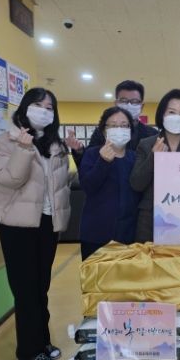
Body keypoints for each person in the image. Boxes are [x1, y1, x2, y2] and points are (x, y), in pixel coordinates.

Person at [0, 87, 71, 360]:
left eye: (49, 107)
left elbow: (60, 186)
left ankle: (42, 341)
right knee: (25, 290)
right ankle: (27, 350)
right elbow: (7, 180)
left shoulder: (55, 145)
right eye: (38, 105)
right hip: (18, 225)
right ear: (25, 108)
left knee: (41, 287)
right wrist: (23, 150)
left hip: (47, 223)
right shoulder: (6, 141)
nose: (44, 111)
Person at [130, 89, 180, 243]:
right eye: (172, 112)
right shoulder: (146, 144)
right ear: (162, 114)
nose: (177, 117)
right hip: (150, 221)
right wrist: (153, 157)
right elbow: (136, 184)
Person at [78, 106, 141, 260]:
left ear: (130, 130)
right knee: (95, 275)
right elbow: (88, 186)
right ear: (104, 130)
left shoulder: (135, 158)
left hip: (128, 235)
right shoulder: (92, 154)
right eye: (113, 125)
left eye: (124, 125)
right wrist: (103, 162)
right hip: (96, 234)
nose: (119, 129)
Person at [67, 80, 157, 166]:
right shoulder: (102, 131)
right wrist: (79, 150)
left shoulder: (152, 134)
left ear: (142, 106)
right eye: (124, 101)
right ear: (116, 103)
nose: (129, 105)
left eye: (134, 102)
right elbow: (88, 164)